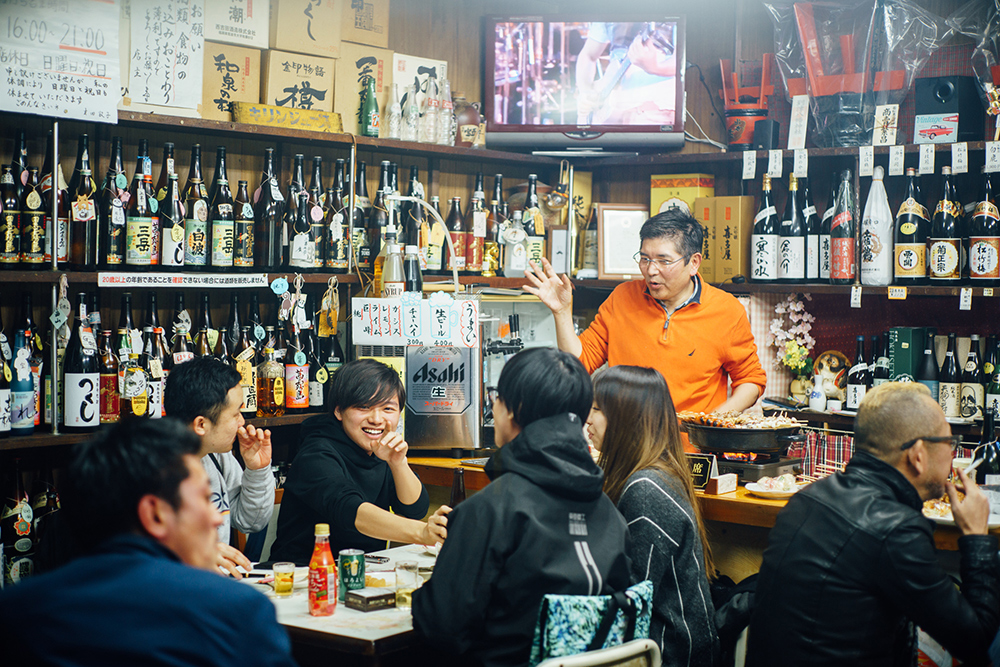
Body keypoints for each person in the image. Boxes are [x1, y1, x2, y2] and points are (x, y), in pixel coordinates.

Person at [0, 418, 296, 667]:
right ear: (154, 514)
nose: (217, 518)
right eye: (206, 500)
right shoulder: (235, 611)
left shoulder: (16, 613)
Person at [747, 382, 1000, 666]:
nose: (953, 456)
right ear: (918, 455)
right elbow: (976, 642)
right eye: (949, 443)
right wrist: (977, 537)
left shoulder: (807, 498)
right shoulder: (895, 529)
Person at [412, 347, 633, 667]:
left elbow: (440, 627)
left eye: (496, 398)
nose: (494, 405)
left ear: (513, 410)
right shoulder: (610, 512)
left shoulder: (491, 509)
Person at [525, 208, 767, 416]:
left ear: (693, 262)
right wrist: (561, 312)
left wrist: (713, 420)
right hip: (625, 448)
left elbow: (750, 380)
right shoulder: (622, 297)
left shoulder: (726, 310)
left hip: (691, 452)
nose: (651, 270)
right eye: (644, 258)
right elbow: (579, 365)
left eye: (663, 261)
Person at [588, 365, 718, 666]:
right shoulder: (650, 474)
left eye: (596, 409)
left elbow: (633, 596)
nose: (588, 419)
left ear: (626, 418)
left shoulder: (646, 488)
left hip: (668, 652)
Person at [270, 359, 448, 564]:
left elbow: (414, 509)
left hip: (364, 569)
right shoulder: (316, 454)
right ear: (338, 411)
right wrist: (423, 533)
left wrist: (398, 463)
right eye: (363, 407)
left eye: (388, 409)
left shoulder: (379, 449)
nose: (376, 419)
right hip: (304, 575)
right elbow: (351, 510)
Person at [164, 356, 275, 577]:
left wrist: (257, 470)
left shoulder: (216, 457)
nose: (242, 422)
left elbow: (250, 522)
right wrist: (191, 554)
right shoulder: (149, 469)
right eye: (235, 414)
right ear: (201, 424)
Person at [575, 22, 678, 125]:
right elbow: (588, 55)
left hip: (652, 108)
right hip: (611, 109)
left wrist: (655, 68)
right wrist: (585, 90)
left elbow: (683, 60)